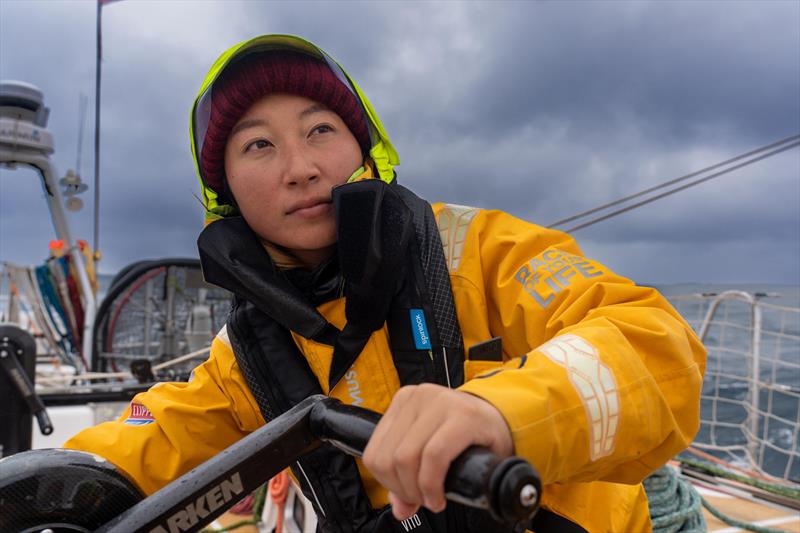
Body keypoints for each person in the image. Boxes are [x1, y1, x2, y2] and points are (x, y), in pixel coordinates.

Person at [66, 34, 706, 532]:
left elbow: (653, 345)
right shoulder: (244, 359)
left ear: (367, 150)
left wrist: (500, 412)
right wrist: (44, 492)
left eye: (321, 129)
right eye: (257, 146)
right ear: (224, 192)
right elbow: (149, 439)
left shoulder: (476, 252)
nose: (301, 168)